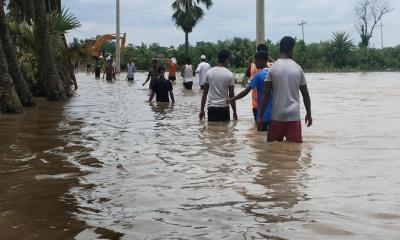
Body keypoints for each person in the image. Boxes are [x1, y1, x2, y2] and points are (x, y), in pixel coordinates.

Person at [257, 36, 312, 143]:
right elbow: (305, 94)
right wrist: (308, 113)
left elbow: (265, 94)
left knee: (273, 152)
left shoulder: (272, 68)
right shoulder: (298, 68)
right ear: (291, 49)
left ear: (280, 49)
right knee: (294, 153)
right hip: (293, 117)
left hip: (276, 117)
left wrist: (260, 116)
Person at [227, 50, 272, 131]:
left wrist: (231, 99)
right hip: (276, 115)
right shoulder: (274, 73)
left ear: (263, 61)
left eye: (256, 61)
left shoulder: (258, 75)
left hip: (263, 115)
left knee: (260, 141)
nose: (255, 64)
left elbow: (245, 92)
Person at [199, 49, 237, 122]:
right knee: (225, 132)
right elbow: (231, 95)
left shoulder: (209, 73)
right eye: (228, 59)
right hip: (224, 108)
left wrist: (201, 110)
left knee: (212, 131)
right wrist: (234, 112)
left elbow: (204, 93)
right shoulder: (230, 74)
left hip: (211, 108)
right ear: (226, 59)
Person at [245, 44, 268, 121]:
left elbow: (247, 74)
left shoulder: (254, 65)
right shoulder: (271, 66)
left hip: (256, 103)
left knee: (259, 129)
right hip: (269, 104)